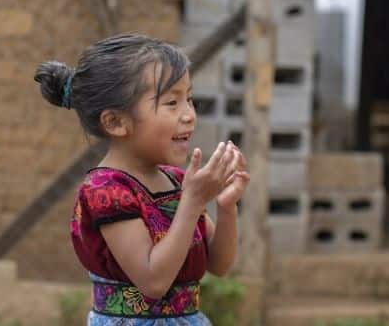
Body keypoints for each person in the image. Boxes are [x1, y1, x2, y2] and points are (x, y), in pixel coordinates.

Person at [34, 34, 250, 325]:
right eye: (172, 102)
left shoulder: (175, 181)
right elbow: (153, 281)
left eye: (189, 99)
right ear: (116, 122)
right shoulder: (106, 190)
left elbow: (219, 264)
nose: (189, 115)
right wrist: (194, 200)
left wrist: (226, 208)